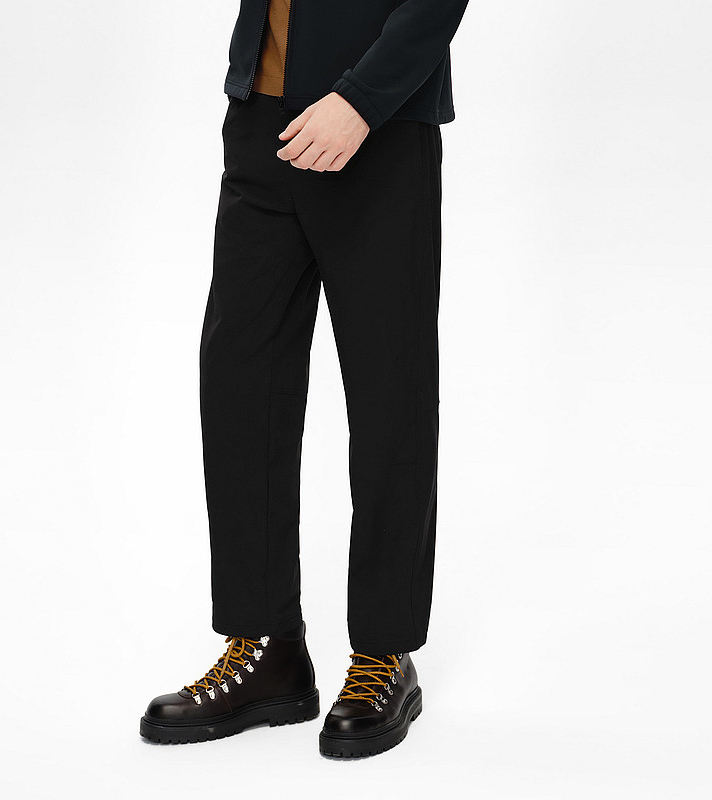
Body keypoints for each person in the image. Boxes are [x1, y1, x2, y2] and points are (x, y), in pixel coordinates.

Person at [140, 0, 471, 758]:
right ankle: (267, 648)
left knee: (389, 391)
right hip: (261, 118)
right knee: (239, 383)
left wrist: (363, 99)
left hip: (375, 121)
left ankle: (385, 650)